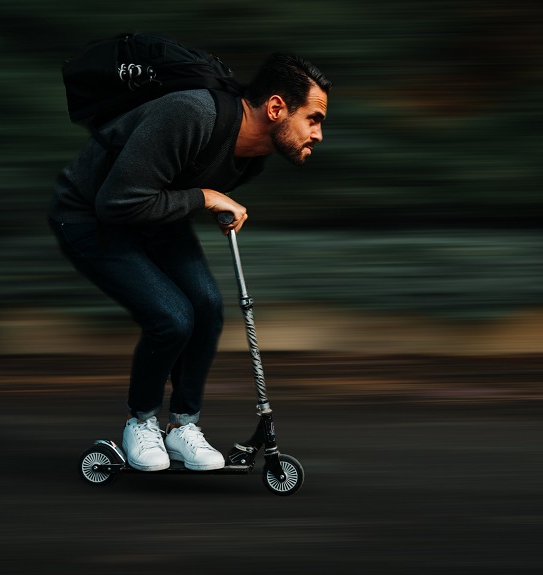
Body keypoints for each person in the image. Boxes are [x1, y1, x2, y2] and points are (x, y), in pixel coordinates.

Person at [49, 52, 331, 472]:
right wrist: (206, 198)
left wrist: (207, 201)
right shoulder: (190, 114)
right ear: (275, 108)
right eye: (313, 118)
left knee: (207, 309)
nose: (318, 134)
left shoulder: (252, 158)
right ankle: (140, 423)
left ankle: (182, 427)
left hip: (152, 217)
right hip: (91, 216)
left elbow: (168, 192)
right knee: (173, 317)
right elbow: (117, 203)